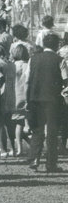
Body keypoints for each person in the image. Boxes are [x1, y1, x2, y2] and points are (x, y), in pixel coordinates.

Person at [26, 32, 64, 173]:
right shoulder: (60, 60)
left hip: (35, 97)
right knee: (52, 132)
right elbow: (65, 81)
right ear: (57, 45)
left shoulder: (33, 59)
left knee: (37, 129)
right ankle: (51, 163)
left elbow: (27, 79)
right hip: (53, 99)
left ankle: (34, 158)